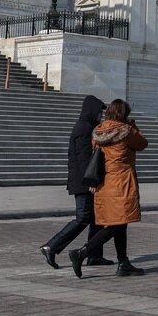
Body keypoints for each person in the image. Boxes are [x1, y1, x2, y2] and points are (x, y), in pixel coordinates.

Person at [66, 99, 148, 278]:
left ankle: (123, 262)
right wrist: (132, 124)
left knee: (120, 223)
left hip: (104, 184)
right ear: (123, 114)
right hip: (121, 182)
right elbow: (142, 143)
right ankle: (81, 253)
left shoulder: (98, 131)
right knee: (116, 225)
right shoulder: (126, 130)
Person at [40, 95, 113, 269]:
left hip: (85, 180)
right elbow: (83, 160)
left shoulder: (88, 127)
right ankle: (51, 246)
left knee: (96, 218)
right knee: (83, 218)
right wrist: (91, 181)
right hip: (83, 182)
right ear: (92, 111)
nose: (100, 116)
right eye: (99, 113)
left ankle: (94, 255)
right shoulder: (83, 129)